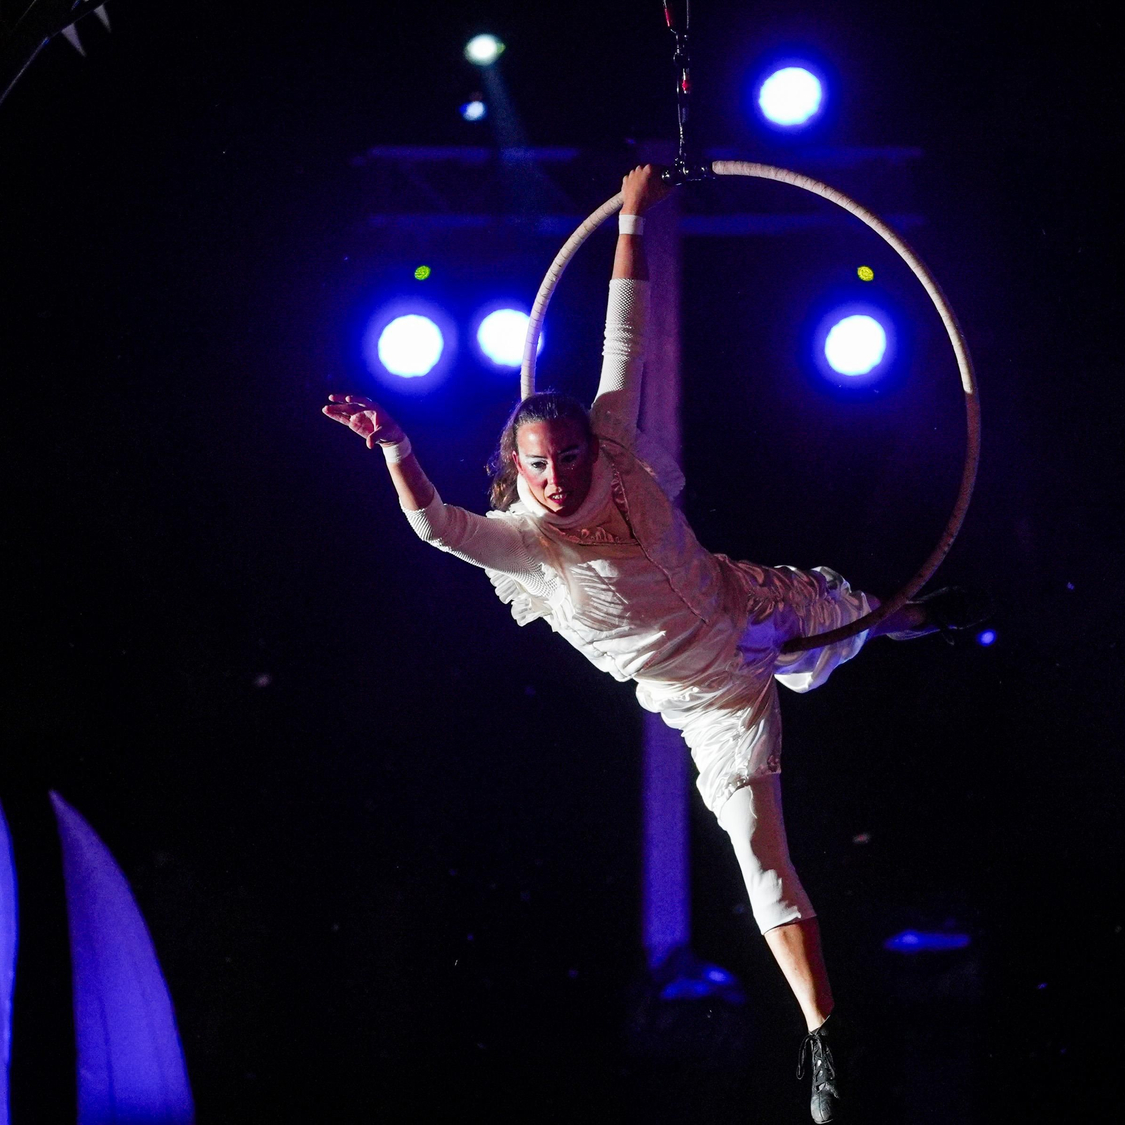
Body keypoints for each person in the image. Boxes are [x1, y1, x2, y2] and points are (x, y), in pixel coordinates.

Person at [323, 164, 938, 1123]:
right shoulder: (525, 544)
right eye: (540, 465)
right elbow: (437, 527)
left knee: (858, 612)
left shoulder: (613, 445)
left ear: (590, 446)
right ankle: (825, 1036)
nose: (559, 477)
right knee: (762, 860)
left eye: (570, 456)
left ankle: (926, 616)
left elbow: (625, 336)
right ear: (516, 465)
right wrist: (398, 448)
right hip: (713, 703)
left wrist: (635, 217)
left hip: (747, 603)